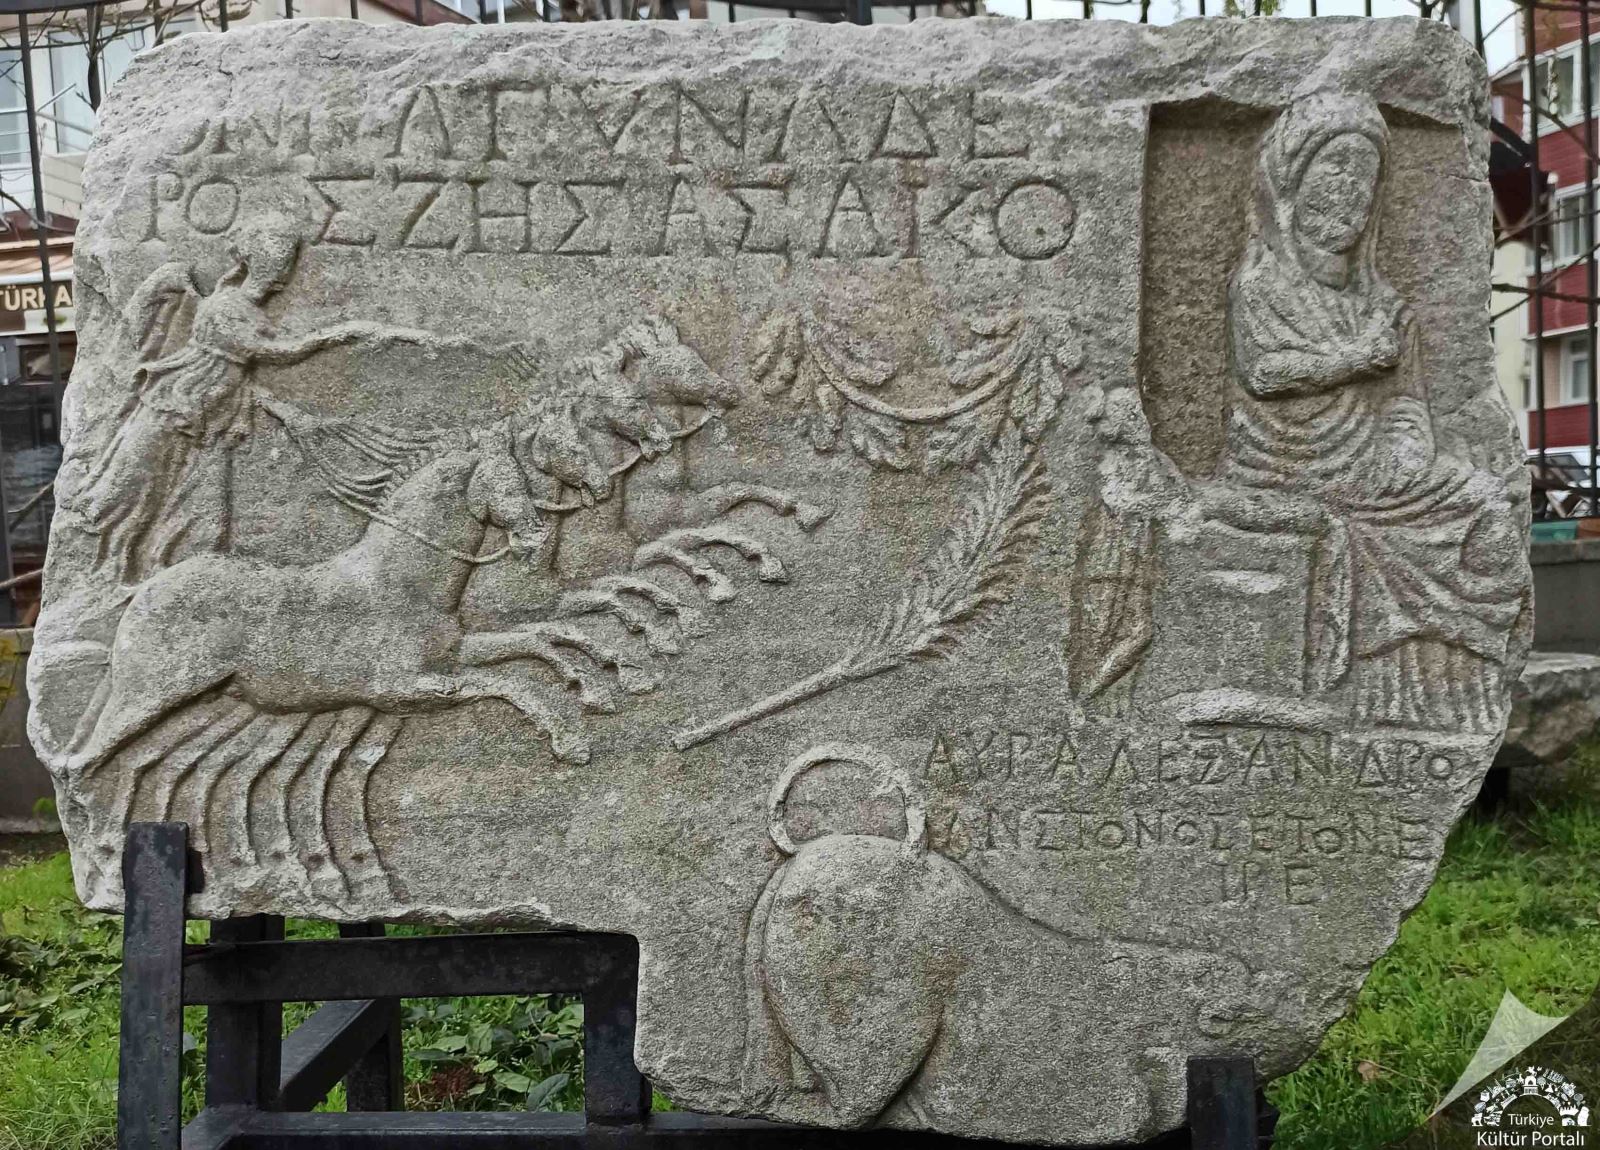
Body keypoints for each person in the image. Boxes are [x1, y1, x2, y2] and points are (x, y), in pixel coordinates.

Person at [1220, 93, 1525, 732]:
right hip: (1283, 468)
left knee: (1486, 508)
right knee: (1374, 535)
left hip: (1372, 466)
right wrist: (1356, 359)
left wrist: (1410, 441)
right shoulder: (1261, 286)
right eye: (1334, 169)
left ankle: (1449, 696)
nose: (1349, 192)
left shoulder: (1385, 304)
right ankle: (1366, 698)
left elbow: (1407, 396)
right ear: (1289, 184)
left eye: (1364, 177)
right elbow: (1263, 373)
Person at [77, 215, 428, 584]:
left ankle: (158, 573)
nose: (286, 269)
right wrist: (336, 335)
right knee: (134, 491)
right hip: (181, 407)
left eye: (288, 260)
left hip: (215, 416)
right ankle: (113, 569)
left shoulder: (247, 309)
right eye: (281, 259)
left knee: (193, 510)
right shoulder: (225, 306)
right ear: (259, 261)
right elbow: (270, 352)